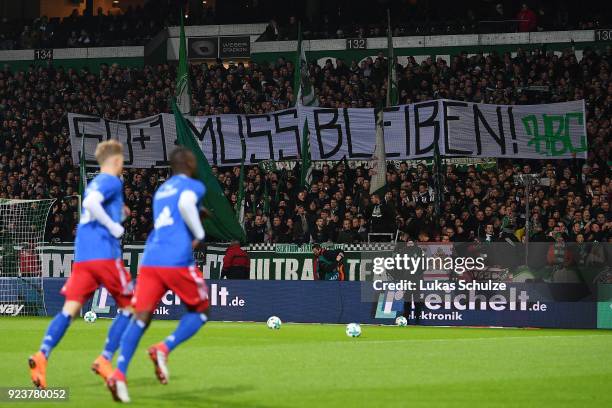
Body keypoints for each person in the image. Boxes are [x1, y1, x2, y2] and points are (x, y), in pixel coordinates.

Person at [107, 148, 210, 403]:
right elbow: (185, 205)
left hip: (151, 258)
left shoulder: (161, 191)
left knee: (141, 317)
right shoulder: (194, 186)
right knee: (201, 311)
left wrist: (194, 217)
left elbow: (174, 218)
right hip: (176, 260)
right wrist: (200, 234)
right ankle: (163, 348)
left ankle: (119, 374)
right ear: (187, 162)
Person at [29, 140, 132, 389]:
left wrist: (119, 214)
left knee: (70, 310)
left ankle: (42, 355)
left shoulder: (95, 182)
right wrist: (114, 226)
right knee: (133, 308)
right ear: (115, 161)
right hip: (104, 255)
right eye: (122, 161)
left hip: (84, 257)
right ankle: (105, 359)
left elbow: (94, 206)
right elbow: (90, 204)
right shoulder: (111, 181)